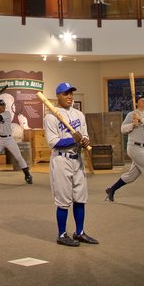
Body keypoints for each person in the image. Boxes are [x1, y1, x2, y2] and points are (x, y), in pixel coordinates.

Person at [44, 82, 97, 247]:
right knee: (63, 200)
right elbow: (53, 142)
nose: (69, 97)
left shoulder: (79, 115)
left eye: (71, 93)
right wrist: (70, 139)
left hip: (77, 159)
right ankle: (61, 234)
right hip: (61, 160)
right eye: (66, 94)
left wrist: (84, 140)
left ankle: (79, 232)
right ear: (58, 96)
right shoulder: (51, 117)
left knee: (80, 198)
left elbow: (84, 134)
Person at [0, 98, 33, 185]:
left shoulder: (7, 113)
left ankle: (27, 175)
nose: (2, 107)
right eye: (0, 106)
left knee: (18, 157)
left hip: (9, 139)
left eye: (3, 105)